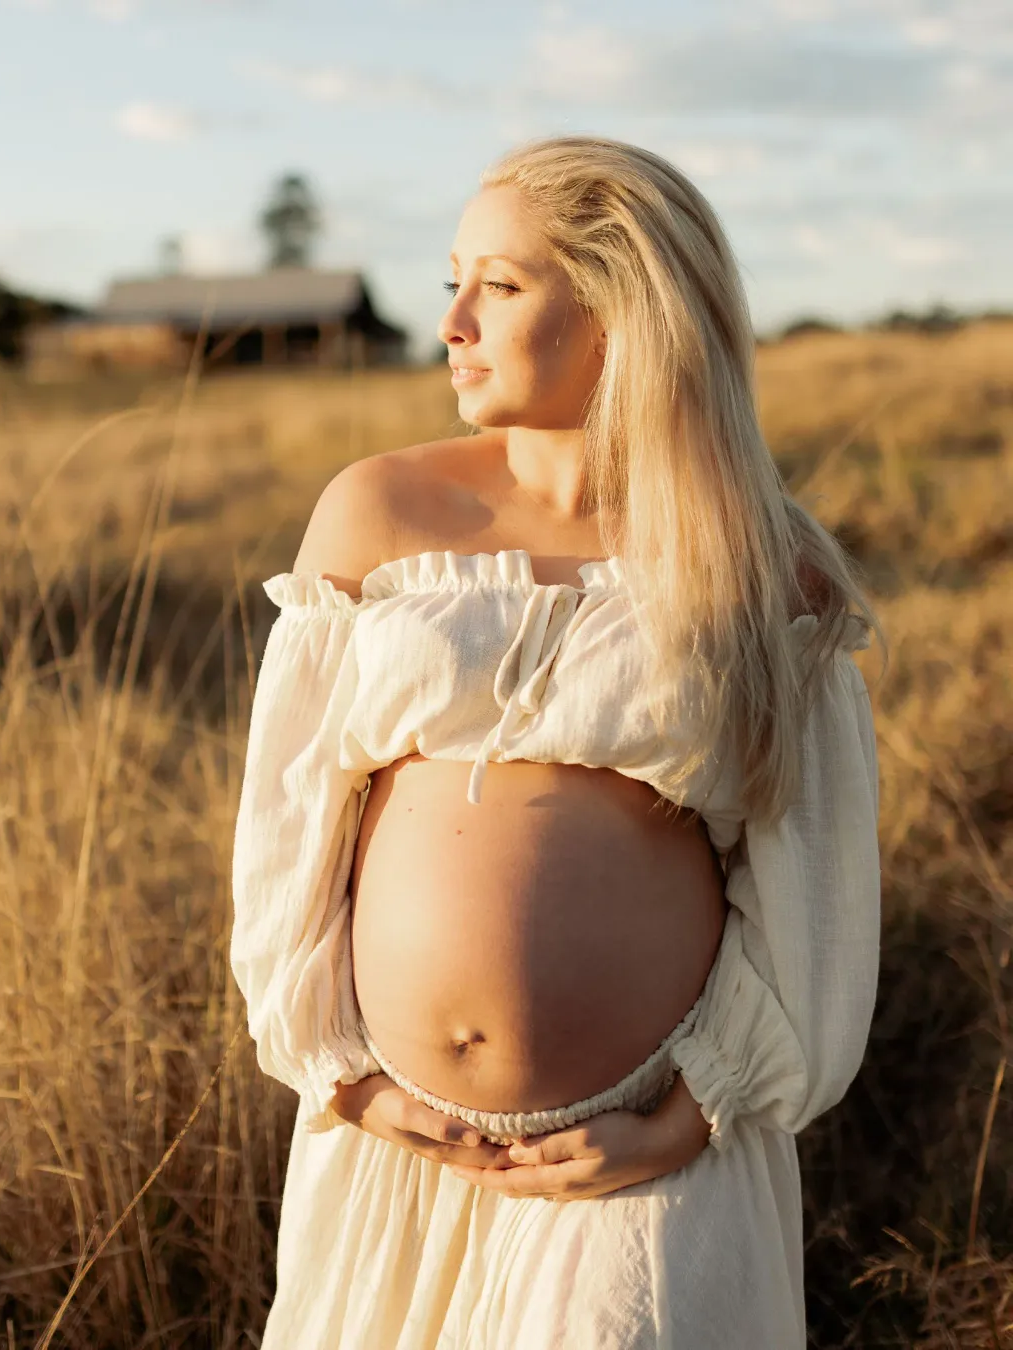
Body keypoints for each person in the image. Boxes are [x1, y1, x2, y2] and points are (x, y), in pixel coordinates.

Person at [230, 135, 882, 1349]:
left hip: (637, 1167)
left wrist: (686, 1119)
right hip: (403, 1156)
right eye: (452, 283)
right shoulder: (376, 511)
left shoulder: (755, 562)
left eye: (503, 285)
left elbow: (808, 888)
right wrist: (349, 1081)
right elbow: (287, 828)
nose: (453, 325)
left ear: (622, 307)